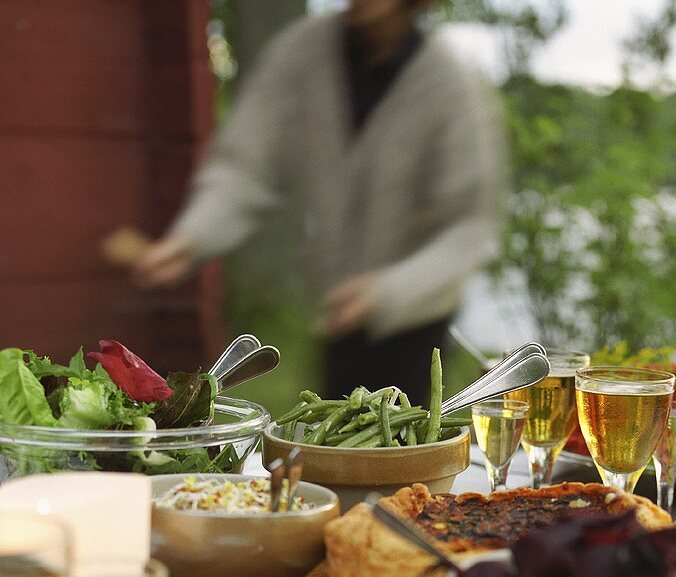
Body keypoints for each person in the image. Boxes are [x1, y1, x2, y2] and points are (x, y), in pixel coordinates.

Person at [135, 0, 506, 403]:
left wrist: (386, 293)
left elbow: (469, 226)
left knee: (404, 450)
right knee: (333, 446)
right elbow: (245, 166)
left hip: (415, 316)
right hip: (336, 314)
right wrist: (193, 236)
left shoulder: (448, 81)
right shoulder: (301, 52)